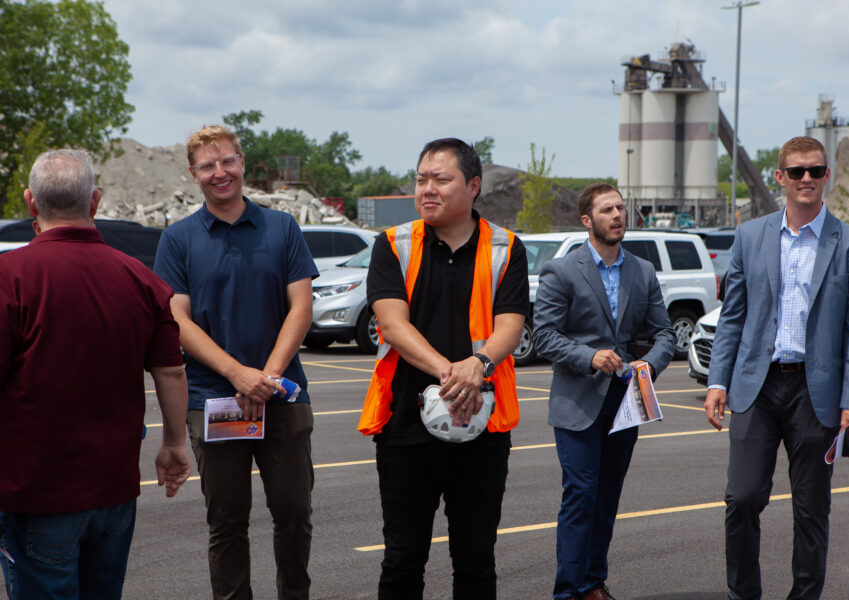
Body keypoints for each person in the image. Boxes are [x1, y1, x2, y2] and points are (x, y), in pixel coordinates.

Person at [0, 149, 191, 599]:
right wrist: (175, 444)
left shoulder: (10, 277)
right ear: (95, 202)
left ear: (31, 203)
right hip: (113, 491)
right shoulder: (141, 279)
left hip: (36, 492)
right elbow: (171, 371)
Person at [705, 136, 849, 600]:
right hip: (755, 388)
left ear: (826, 177)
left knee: (811, 510)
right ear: (779, 176)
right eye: (797, 171)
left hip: (815, 395)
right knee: (741, 499)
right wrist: (718, 379)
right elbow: (733, 316)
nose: (807, 179)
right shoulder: (750, 236)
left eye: (816, 171)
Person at [358, 138, 529, 599]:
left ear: (473, 186)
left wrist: (481, 363)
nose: (426, 189)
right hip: (405, 426)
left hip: (483, 427)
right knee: (402, 558)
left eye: (441, 179)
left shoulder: (506, 247)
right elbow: (392, 325)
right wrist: (456, 372)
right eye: (421, 180)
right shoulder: (393, 244)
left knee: (476, 558)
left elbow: (510, 325)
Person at [153, 125, 318, 600]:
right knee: (226, 523)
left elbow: (301, 308)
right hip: (214, 402)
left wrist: (266, 376)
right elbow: (177, 320)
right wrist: (237, 374)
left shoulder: (282, 228)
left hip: (282, 398)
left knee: (293, 516)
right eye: (208, 165)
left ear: (242, 163)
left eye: (227, 161)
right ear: (193, 174)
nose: (219, 172)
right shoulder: (178, 239)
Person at [533, 182, 675, 600]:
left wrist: (650, 362)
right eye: (607, 209)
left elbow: (665, 333)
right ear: (587, 220)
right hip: (577, 401)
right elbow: (543, 336)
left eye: (620, 208)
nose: (617, 215)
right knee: (581, 493)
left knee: (607, 495)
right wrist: (589, 357)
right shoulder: (563, 270)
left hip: (626, 401)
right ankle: (569, 590)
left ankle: (593, 581)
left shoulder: (642, 270)